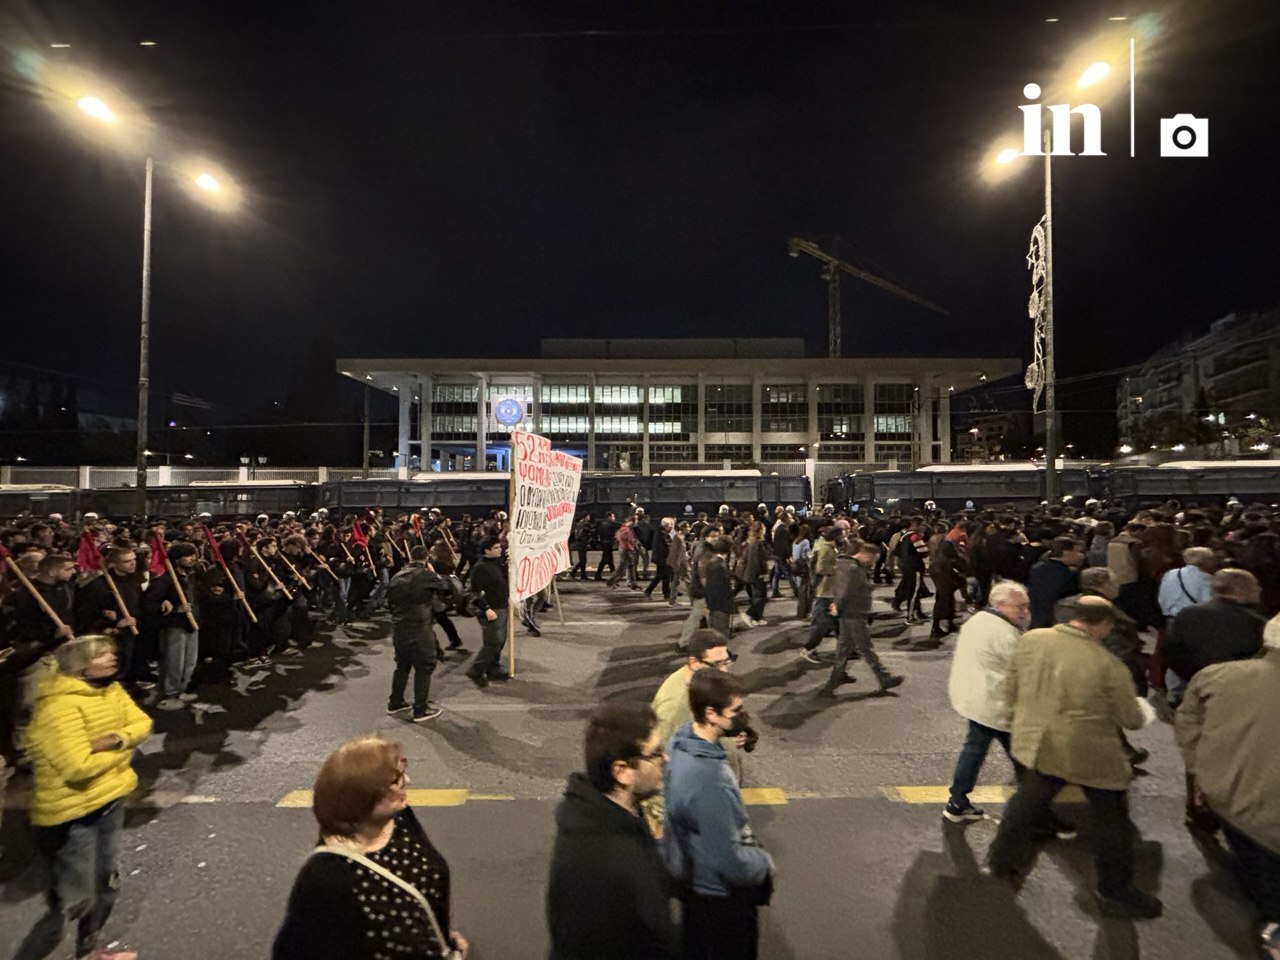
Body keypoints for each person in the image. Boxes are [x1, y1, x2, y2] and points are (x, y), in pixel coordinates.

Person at [987, 597, 1161, 919]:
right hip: (1087, 750)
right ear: (1103, 625)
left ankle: (1001, 859)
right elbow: (1131, 719)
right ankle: (1115, 887)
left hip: (1037, 739)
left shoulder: (1033, 639)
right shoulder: (1107, 664)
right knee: (1111, 817)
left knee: (1028, 799)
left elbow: (1012, 685)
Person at [14, 635, 152, 960]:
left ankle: (89, 950)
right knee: (82, 895)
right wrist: (125, 751)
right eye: (101, 655)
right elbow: (78, 767)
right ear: (80, 666)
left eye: (110, 652)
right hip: (75, 812)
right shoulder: (58, 707)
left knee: (106, 884)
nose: (112, 658)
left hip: (108, 800)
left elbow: (142, 723)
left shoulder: (110, 690)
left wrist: (116, 739)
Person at [273, 734, 468, 960]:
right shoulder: (325, 880)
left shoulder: (397, 818)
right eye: (395, 781)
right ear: (362, 801)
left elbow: (420, 893)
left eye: (402, 770)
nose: (408, 780)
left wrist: (436, 935)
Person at [545, 703, 678, 960]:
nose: (666, 759)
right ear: (622, 771)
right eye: (656, 754)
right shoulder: (608, 864)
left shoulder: (613, 816)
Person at [1176, 615, 1280, 940]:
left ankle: (1270, 919)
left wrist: (1199, 772)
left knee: (1251, 862)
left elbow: (1188, 725)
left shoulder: (1217, 676)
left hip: (1228, 795)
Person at [664, 670, 773, 960]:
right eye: (735, 711)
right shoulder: (709, 779)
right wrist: (763, 864)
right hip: (720, 898)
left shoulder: (681, 740)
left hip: (693, 884)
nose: (740, 717)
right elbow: (729, 860)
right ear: (711, 714)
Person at [942, 581, 1032, 823]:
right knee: (1024, 756)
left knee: (976, 749)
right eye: (1019, 607)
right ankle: (1036, 808)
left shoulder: (979, 620)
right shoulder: (1004, 633)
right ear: (1000, 604)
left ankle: (957, 801)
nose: (1024, 612)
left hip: (977, 699)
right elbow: (1024, 668)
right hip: (997, 703)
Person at [820, 539, 903, 695]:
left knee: (844, 647)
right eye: (873, 559)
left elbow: (849, 586)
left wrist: (869, 587)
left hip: (849, 612)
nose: (873, 563)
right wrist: (837, 605)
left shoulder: (849, 566)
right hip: (853, 612)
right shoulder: (852, 568)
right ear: (866, 555)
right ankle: (884, 677)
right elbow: (844, 589)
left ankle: (836, 677)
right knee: (865, 647)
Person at [386, 545, 450, 722]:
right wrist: (434, 573)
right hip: (419, 627)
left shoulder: (397, 576)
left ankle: (395, 702)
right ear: (426, 558)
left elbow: (389, 602)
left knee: (402, 665)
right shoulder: (426, 576)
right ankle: (420, 709)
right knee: (424, 666)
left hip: (399, 626)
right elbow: (445, 587)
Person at [144, 541, 202, 709]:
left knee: (190, 660)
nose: (192, 559)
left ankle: (183, 688)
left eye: (193, 555)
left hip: (193, 622)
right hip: (175, 624)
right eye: (187, 556)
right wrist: (175, 608)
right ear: (176, 559)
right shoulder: (164, 580)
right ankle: (170, 692)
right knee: (173, 661)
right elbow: (149, 604)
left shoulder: (192, 575)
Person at [466, 537, 510, 688]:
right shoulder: (480, 568)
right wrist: (486, 609)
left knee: (500, 641)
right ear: (487, 550)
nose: (500, 550)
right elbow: (475, 593)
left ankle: (493, 668)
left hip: (502, 607)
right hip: (491, 610)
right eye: (496, 548)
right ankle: (476, 670)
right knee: (492, 642)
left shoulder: (497, 563)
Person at [1026, 536, 1083, 629]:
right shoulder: (1069, 575)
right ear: (1066, 552)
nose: (1080, 555)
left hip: (1034, 619)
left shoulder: (1036, 568)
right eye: (1077, 551)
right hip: (1056, 622)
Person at [643, 517, 674, 601]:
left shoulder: (660, 532)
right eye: (670, 525)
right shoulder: (661, 533)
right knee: (660, 576)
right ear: (666, 525)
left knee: (666, 575)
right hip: (662, 558)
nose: (671, 526)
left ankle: (666, 593)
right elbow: (666, 545)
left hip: (661, 558)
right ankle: (648, 591)